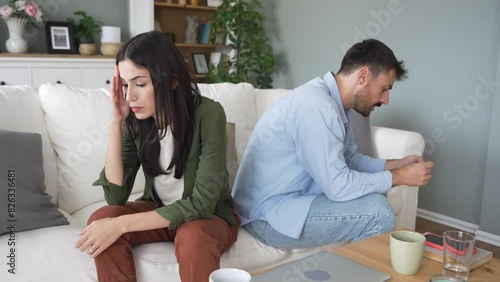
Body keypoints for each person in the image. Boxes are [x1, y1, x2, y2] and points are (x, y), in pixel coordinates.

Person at [231, 39, 434, 249]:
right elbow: (338, 187)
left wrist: (394, 165)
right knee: (377, 212)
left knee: (374, 194)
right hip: (266, 216)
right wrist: (399, 178)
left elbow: (349, 159)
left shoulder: (334, 105)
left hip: (287, 203)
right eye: (384, 88)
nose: (386, 99)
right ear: (363, 76)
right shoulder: (318, 108)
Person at [75, 31, 240, 282]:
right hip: (160, 210)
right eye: (125, 85)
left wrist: (122, 225)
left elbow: (202, 205)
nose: (130, 96)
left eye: (140, 84)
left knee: (191, 233)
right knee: (102, 219)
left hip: (209, 219)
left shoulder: (208, 113)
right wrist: (115, 123)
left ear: (172, 80)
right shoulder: (135, 120)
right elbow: (116, 196)